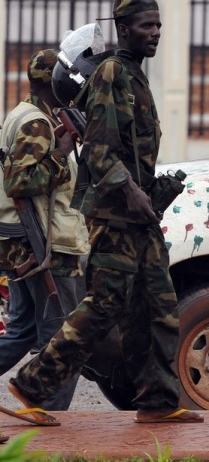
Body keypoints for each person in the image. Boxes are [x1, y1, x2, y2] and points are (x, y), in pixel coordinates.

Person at [7, 0, 203, 425]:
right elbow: (98, 149)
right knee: (103, 305)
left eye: (158, 25)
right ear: (123, 30)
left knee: (158, 306)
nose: (155, 32)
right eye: (146, 25)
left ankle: (157, 401)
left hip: (139, 217)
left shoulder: (134, 76)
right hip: (115, 217)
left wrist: (148, 192)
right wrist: (129, 189)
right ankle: (34, 384)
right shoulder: (112, 74)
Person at [0, 49, 87, 411]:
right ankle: (46, 411)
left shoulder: (23, 113)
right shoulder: (37, 123)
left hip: (19, 239)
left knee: (23, 330)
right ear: (55, 82)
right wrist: (61, 153)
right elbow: (19, 182)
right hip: (40, 244)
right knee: (63, 337)